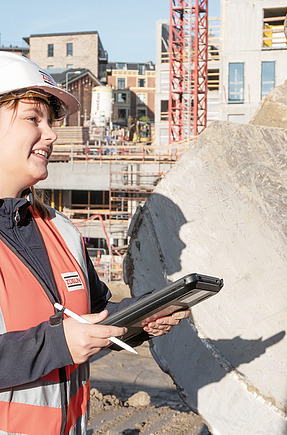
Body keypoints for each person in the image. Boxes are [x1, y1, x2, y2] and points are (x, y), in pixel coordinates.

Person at [0, 52, 190, 434]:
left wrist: (140, 317)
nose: (52, 133)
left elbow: (93, 314)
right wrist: (57, 344)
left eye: (52, 121)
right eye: (34, 119)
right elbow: (64, 338)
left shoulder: (61, 231)